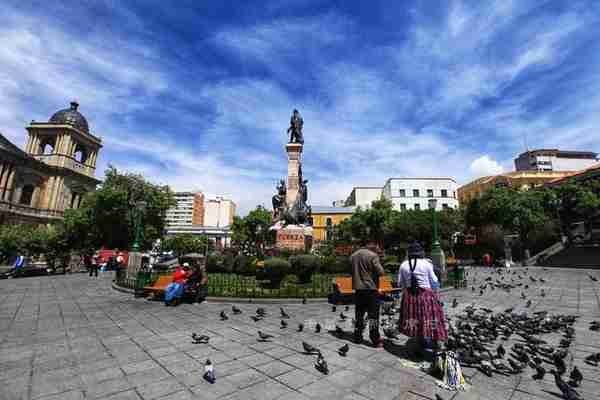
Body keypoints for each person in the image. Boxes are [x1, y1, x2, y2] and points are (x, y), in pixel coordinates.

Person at [397, 242, 448, 356]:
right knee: (431, 319)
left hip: (410, 298)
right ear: (421, 252)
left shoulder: (403, 265)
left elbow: (401, 283)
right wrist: (435, 293)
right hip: (426, 296)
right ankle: (435, 344)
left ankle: (418, 344)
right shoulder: (426, 264)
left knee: (415, 319)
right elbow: (434, 282)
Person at [351, 241, 385, 348]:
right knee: (373, 316)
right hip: (371, 289)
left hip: (358, 290)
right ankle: (375, 339)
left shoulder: (353, 255)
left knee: (359, 315)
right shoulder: (373, 255)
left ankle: (357, 337)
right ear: (373, 248)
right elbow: (381, 272)